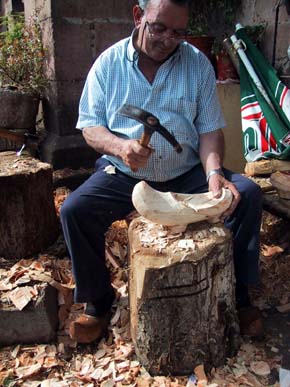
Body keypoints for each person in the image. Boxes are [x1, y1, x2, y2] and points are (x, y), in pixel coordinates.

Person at [60, 0, 263, 344]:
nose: (169, 39)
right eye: (159, 28)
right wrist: (121, 147)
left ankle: (240, 295)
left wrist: (214, 172)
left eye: (179, 32)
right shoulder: (109, 64)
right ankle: (97, 301)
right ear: (138, 16)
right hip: (124, 174)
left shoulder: (196, 64)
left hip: (186, 173)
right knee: (74, 210)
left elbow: (210, 129)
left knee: (246, 194)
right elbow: (91, 127)